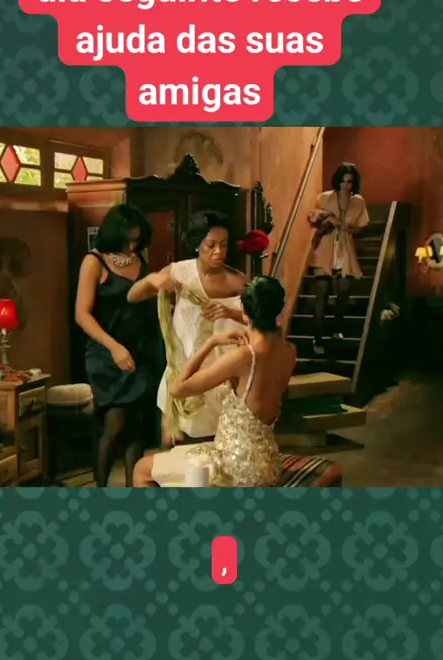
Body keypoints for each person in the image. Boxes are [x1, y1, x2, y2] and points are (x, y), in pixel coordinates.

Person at [133, 277, 296, 488]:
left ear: (245, 313)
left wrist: (211, 343)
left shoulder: (244, 357)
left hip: (235, 468)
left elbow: (177, 389)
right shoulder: (289, 351)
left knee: (142, 469)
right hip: (268, 465)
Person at [127, 210, 246, 445]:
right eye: (211, 245)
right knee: (174, 443)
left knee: (218, 444)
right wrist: (153, 280)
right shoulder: (180, 272)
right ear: (197, 244)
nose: (218, 252)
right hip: (183, 367)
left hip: (221, 373)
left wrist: (230, 312)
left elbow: (262, 320)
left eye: (223, 245)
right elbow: (133, 295)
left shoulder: (238, 281)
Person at [75, 203, 155, 486]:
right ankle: (100, 492)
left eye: (137, 240)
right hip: (106, 354)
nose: (132, 247)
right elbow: (82, 315)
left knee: (137, 429)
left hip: (139, 352)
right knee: (114, 425)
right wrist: (114, 347)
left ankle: (136, 491)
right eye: (127, 240)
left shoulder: (140, 258)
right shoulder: (94, 261)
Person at [308, 163, 369, 356]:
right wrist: (326, 220)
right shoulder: (324, 198)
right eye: (342, 181)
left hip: (344, 250)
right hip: (325, 247)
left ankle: (337, 328)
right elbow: (313, 221)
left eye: (349, 181)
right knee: (322, 293)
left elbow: (360, 227)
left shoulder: (358, 202)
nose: (345, 185)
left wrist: (341, 225)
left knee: (343, 290)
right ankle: (317, 338)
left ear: (354, 183)